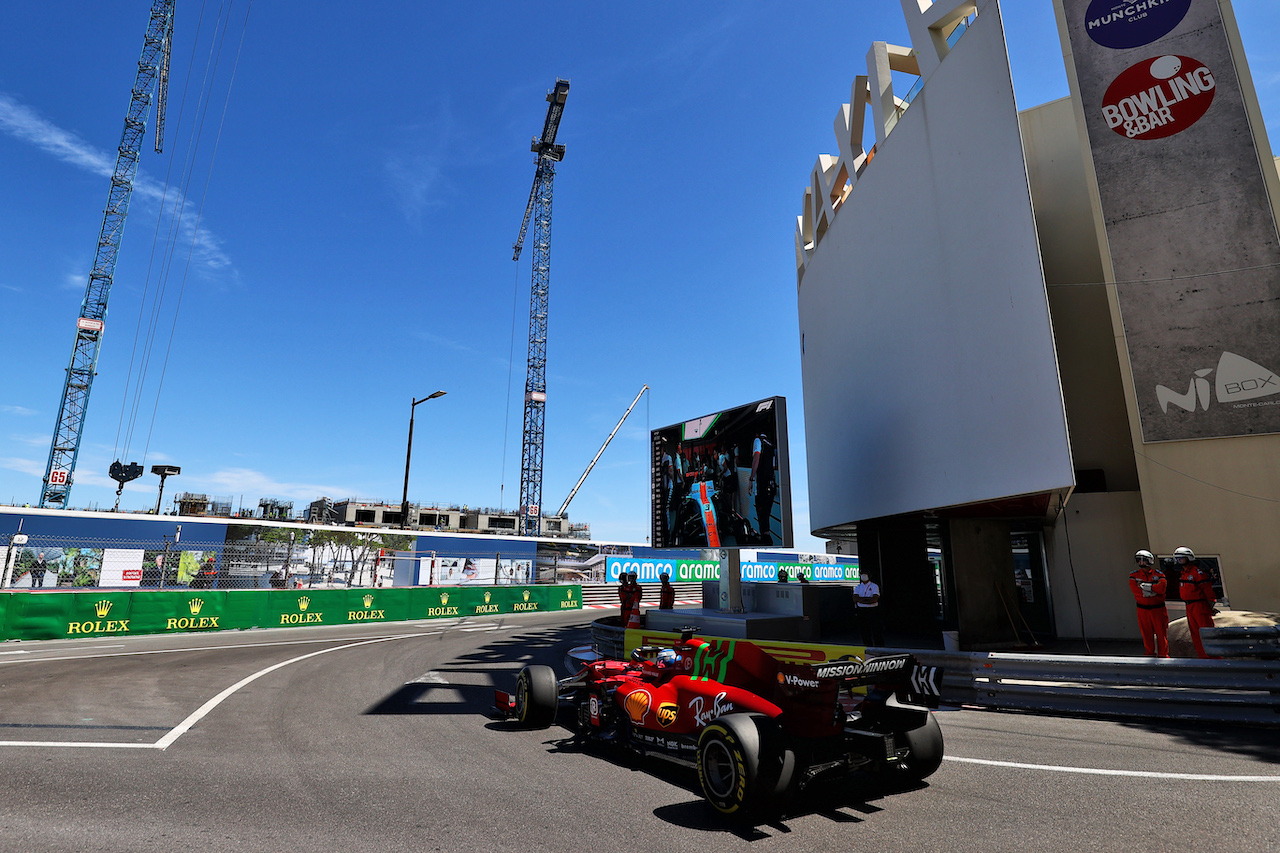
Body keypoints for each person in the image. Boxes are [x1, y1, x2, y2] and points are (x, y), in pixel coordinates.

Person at [1175, 546, 1217, 659]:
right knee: (1195, 634)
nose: (1179, 561)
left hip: (1199, 606)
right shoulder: (1183, 573)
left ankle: (1214, 659)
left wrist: (1209, 607)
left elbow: (1209, 593)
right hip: (1189, 606)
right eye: (1177, 558)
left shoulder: (1197, 573)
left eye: (1181, 558)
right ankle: (1203, 658)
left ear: (1189, 558)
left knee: (1206, 633)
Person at [1129, 549, 1169, 658]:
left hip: (1158, 609)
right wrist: (1153, 589)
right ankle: (1149, 655)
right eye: (1139, 560)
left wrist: (1148, 587)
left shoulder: (1159, 574)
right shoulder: (1134, 575)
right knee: (1146, 634)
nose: (1141, 563)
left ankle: (1163, 655)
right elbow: (1136, 590)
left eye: (1144, 560)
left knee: (1161, 634)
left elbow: (1162, 588)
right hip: (1142, 610)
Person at [750, 432, 777, 544]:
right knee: (766, 517)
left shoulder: (758, 441)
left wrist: (751, 478)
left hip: (761, 485)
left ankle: (765, 544)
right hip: (771, 485)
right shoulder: (771, 444)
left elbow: (756, 458)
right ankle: (767, 543)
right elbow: (774, 465)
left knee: (762, 518)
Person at [853, 570, 885, 646]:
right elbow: (855, 598)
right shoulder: (858, 587)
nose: (863, 576)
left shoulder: (874, 586)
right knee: (864, 631)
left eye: (865, 574)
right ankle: (867, 647)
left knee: (876, 630)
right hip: (862, 611)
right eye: (862, 574)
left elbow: (874, 599)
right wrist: (868, 600)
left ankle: (879, 647)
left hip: (873, 611)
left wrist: (862, 600)